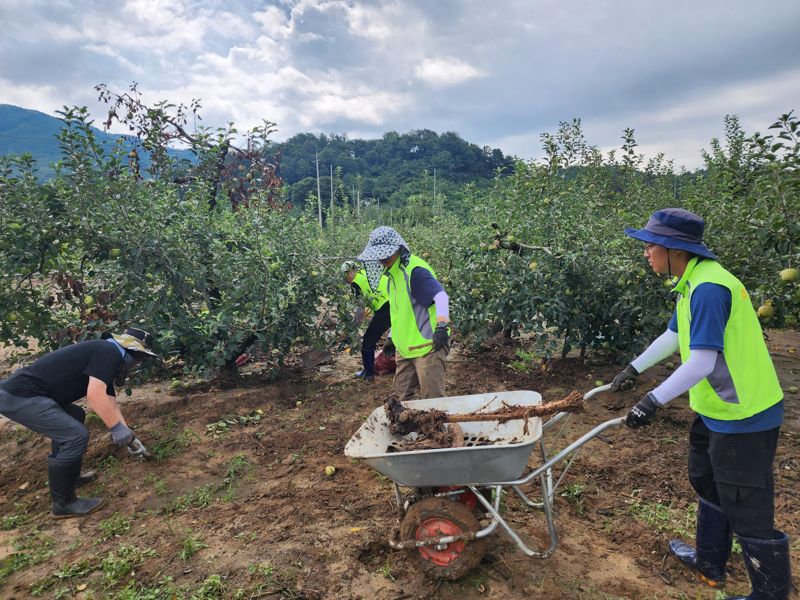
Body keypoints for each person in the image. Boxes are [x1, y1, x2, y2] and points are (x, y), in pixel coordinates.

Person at [611, 208, 791, 599]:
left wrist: (652, 400)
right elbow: (675, 336)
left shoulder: (710, 288)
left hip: (746, 415)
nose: (645, 252)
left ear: (674, 249)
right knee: (707, 481)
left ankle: (770, 593)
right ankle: (710, 562)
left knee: (747, 505)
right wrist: (633, 368)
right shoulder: (691, 282)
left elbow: (703, 361)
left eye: (650, 245)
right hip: (715, 409)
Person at [0, 327, 158, 518]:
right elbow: (95, 395)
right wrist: (117, 429)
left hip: (24, 395)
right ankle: (63, 504)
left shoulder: (106, 353)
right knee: (75, 436)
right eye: (141, 358)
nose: (137, 364)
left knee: (75, 416)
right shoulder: (109, 353)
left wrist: (129, 436)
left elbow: (109, 402)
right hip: (20, 396)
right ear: (136, 353)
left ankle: (68, 479)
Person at [358, 226, 450, 400]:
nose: (382, 259)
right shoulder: (392, 277)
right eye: (379, 255)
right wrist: (392, 337)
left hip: (428, 347)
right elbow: (400, 311)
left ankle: (440, 427)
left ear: (398, 249)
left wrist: (442, 326)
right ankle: (411, 427)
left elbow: (441, 297)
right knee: (402, 397)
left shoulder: (414, 271)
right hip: (405, 349)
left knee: (433, 399)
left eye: (386, 254)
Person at [340, 260, 392, 381]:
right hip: (394, 302)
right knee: (375, 335)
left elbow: (361, 309)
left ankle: (368, 373)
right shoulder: (365, 274)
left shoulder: (356, 283)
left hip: (387, 307)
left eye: (346, 274)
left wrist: (352, 327)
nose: (345, 278)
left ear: (352, 271)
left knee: (368, 341)